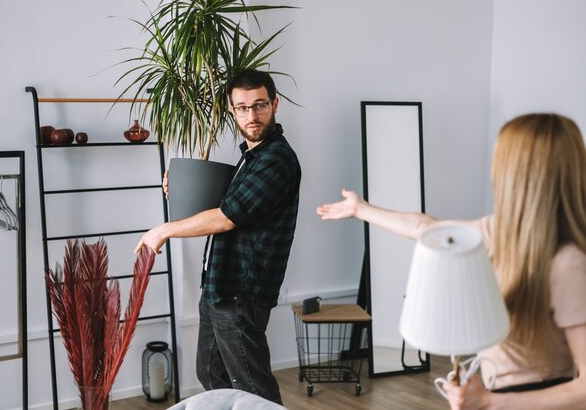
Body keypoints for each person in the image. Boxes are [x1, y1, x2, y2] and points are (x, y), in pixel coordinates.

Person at [316, 113, 586, 409]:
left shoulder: (567, 265)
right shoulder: (499, 230)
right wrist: (361, 209)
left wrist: (494, 402)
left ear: (517, 173)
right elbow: (425, 229)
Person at [135, 69, 301, 405]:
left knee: (253, 388)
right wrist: (179, 187)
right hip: (219, 285)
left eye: (259, 105)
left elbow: (227, 217)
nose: (251, 115)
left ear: (275, 104)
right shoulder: (250, 158)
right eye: (242, 108)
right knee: (212, 373)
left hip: (243, 289)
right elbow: (225, 204)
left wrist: (163, 230)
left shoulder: (277, 159)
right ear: (232, 110)